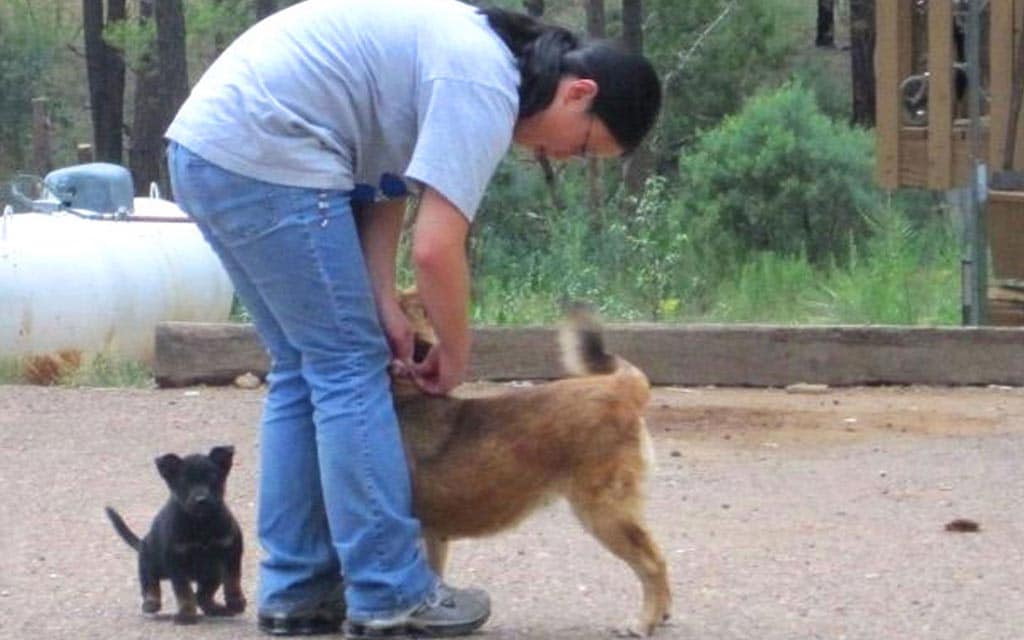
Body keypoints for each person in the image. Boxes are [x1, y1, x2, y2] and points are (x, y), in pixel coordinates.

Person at [164, 0, 661, 636]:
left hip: (211, 149)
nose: (567, 159)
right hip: (266, 154)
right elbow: (436, 245)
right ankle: (389, 593)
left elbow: (388, 185)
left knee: (306, 367)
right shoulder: (485, 81)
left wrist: (383, 302)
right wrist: (455, 350)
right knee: (348, 368)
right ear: (578, 93)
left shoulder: (464, 51)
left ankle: (301, 591)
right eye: (586, 146)